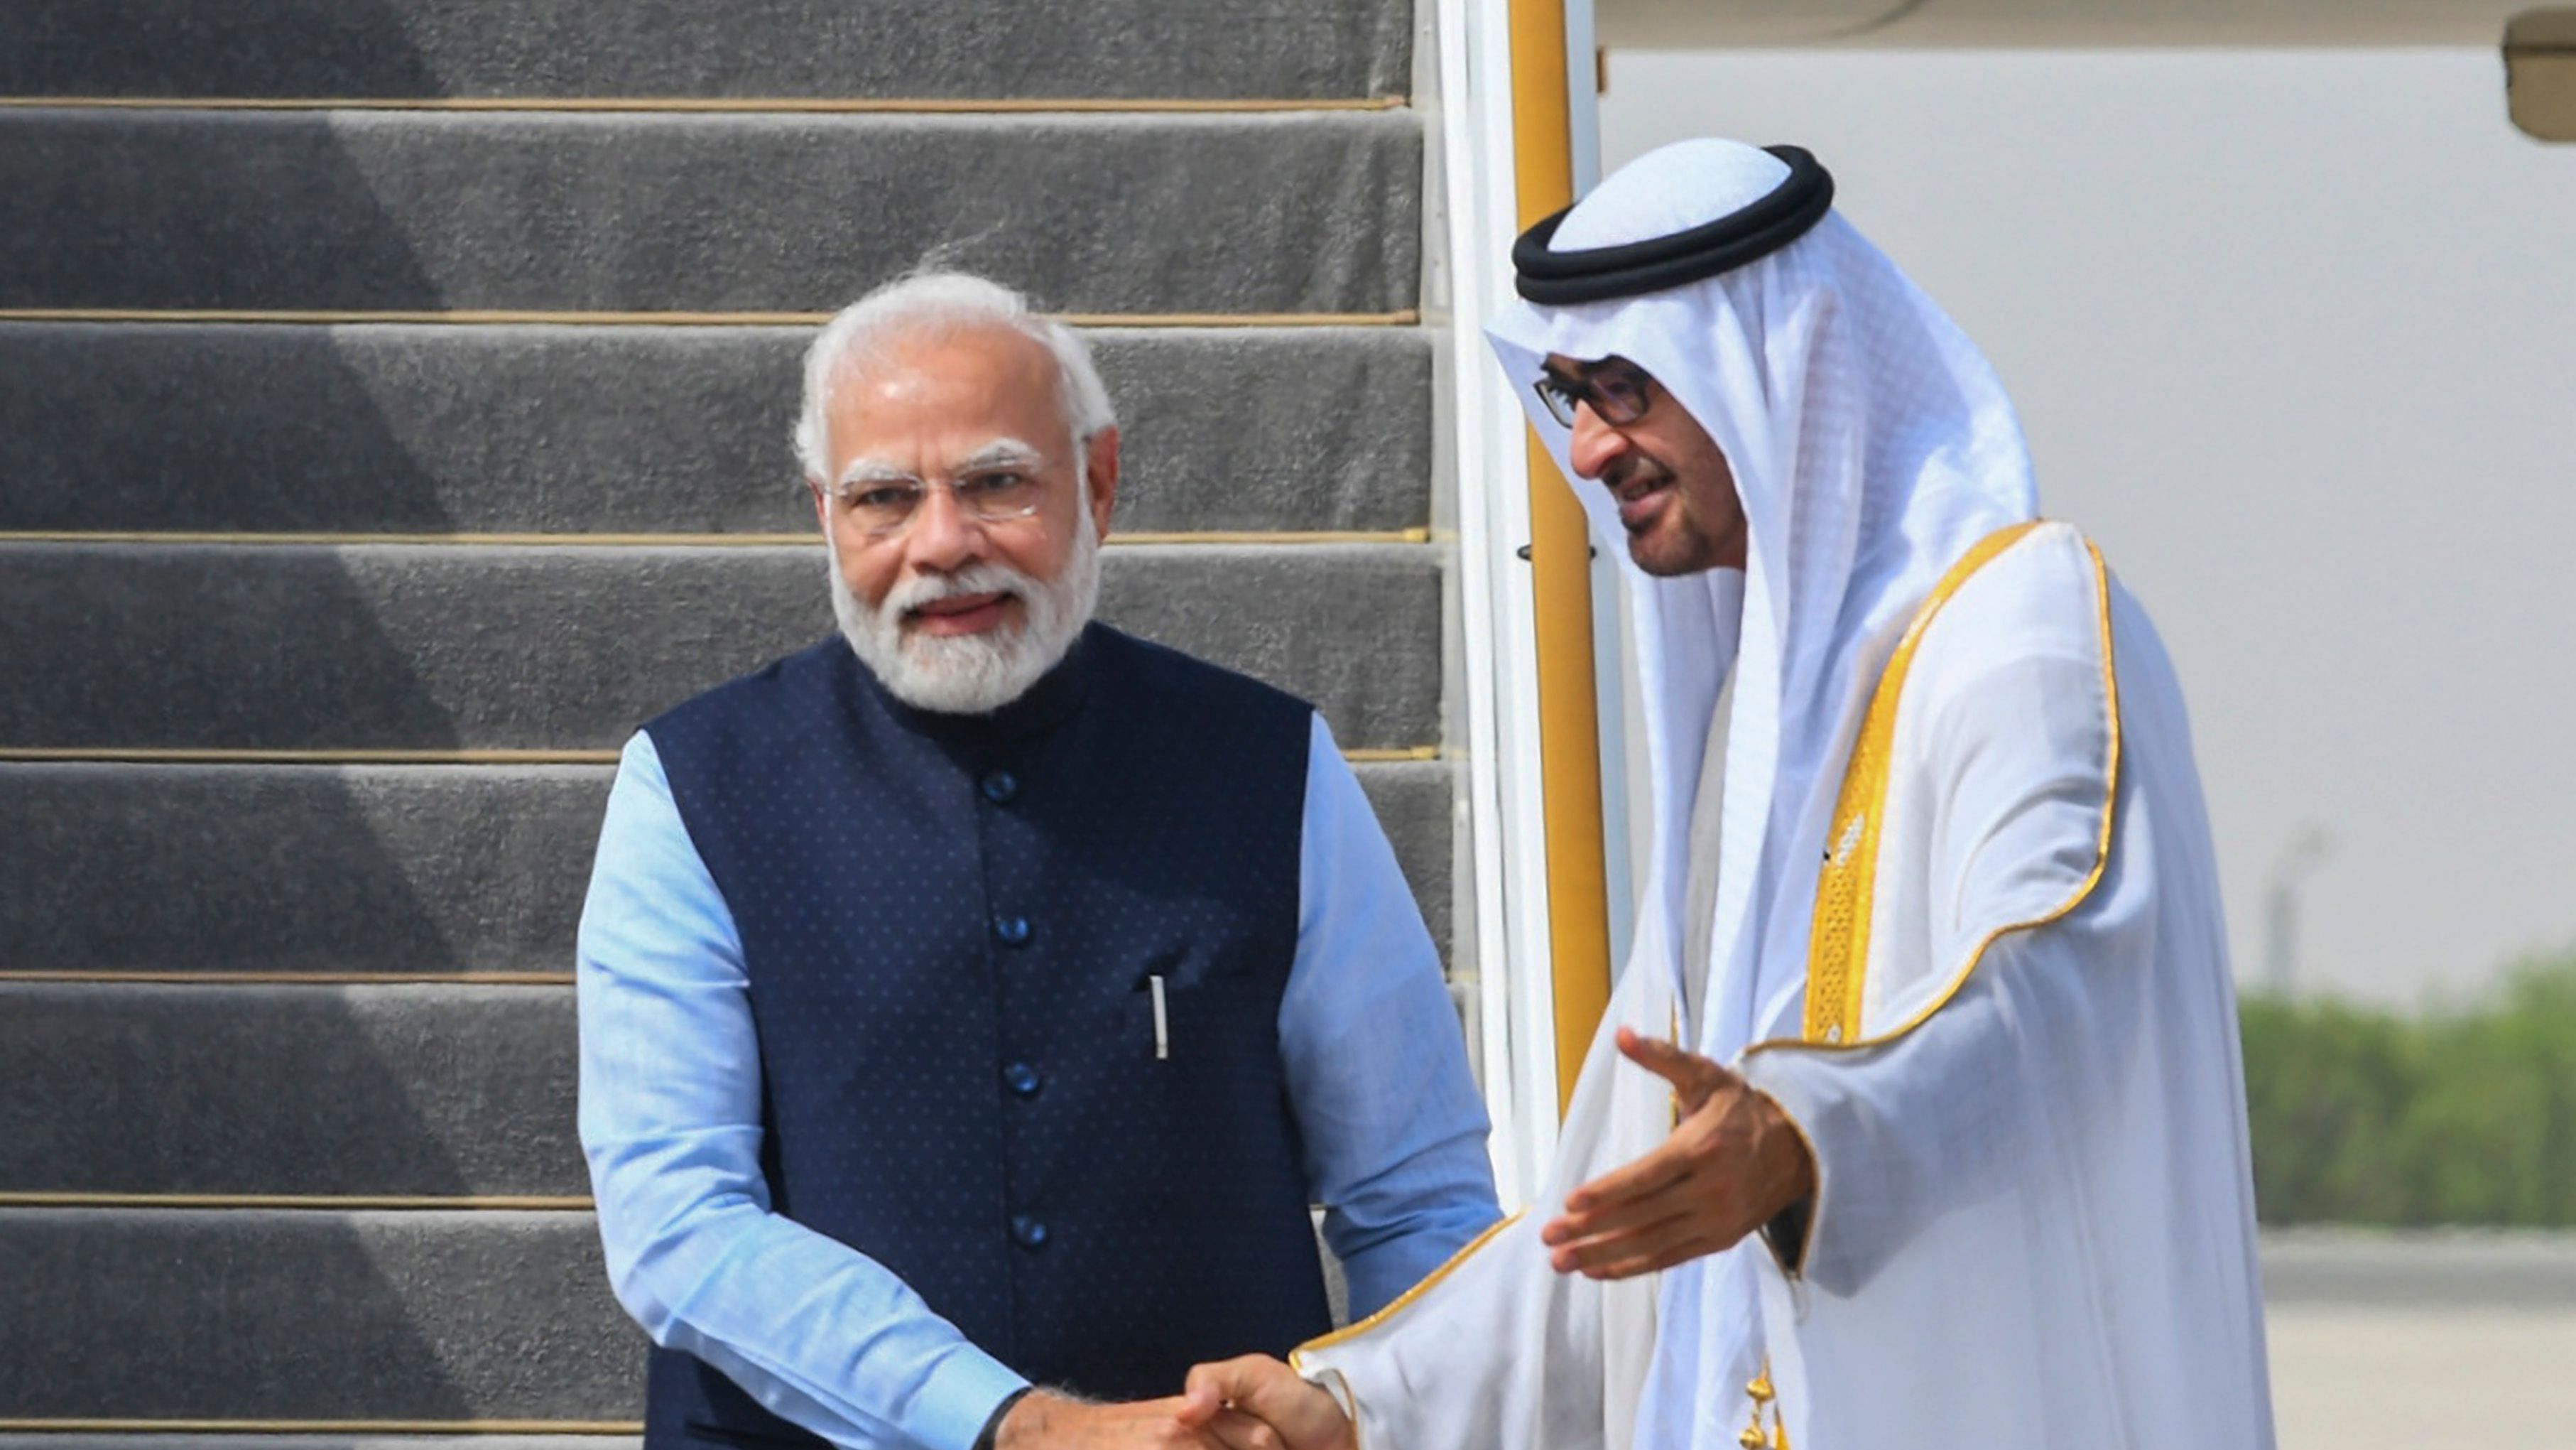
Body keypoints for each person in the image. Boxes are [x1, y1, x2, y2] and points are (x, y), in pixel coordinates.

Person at [1180, 138, 2274, 1450]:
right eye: (1568, 392)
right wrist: (1360, 1403)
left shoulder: (2013, 626)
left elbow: (2057, 979)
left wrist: (1812, 1135)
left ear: (1778, 367)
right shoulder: (1751, 744)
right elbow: (1612, 1230)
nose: (1584, 451)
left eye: (1626, 389)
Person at [575, 271, 1501, 1450]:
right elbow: (675, 1222)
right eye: (883, 498)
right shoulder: (695, 788)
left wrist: (1371, 1412)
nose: (943, 543)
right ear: (823, 514)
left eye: (997, 482)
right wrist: (1016, 1426)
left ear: (1099, 482)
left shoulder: (1270, 766)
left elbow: (1418, 1199)